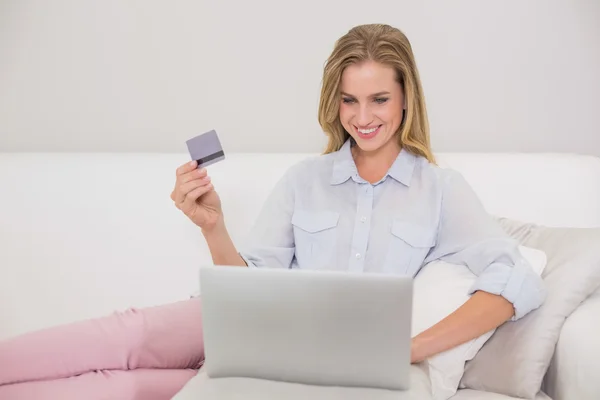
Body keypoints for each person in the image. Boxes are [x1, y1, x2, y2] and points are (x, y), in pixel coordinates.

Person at [0, 23, 546, 399]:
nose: (363, 117)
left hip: (311, 365)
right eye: (349, 100)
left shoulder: (440, 190)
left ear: (406, 99)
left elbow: (514, 280)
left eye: (379, 99)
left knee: (121, 390)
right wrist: (214, 227)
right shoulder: (304, 179)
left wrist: (410, 349)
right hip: (242, 327)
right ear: (334, 100)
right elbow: (247, 286)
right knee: (123, 338)